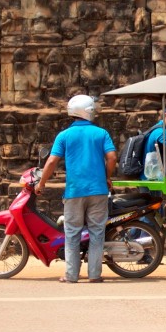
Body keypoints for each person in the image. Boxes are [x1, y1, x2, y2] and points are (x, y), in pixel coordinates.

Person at [36, 95, 117, 283]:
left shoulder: (64, 135)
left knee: (72, 233)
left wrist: (41, 184)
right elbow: (112, 157)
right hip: (98, 191)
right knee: (97, 233)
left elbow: (51, 161)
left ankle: (71, 275)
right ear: (89, 111)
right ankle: (95, 275)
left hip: (74, 192)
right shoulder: (101, 133)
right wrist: (107, 177)